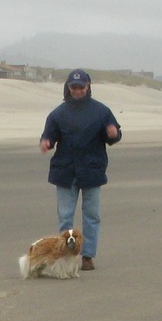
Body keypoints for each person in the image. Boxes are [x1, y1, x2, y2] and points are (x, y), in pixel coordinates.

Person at [38, 68, 121, 270]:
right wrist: (46, 142)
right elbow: (48, 136)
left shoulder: (101, 111)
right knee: (65, 217)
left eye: (81, 87)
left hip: (92, 170)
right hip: (65, 172)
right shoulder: (58, 113)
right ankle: (66, 255)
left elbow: (114, 134)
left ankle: (88, 256)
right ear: (68, 87)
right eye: (73, 87)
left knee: (92, 215)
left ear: (88, 86)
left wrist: (113, 134)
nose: (77, 90)